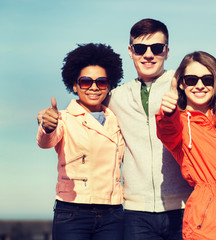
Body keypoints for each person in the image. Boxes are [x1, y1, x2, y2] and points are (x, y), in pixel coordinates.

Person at [107, 18, 193, 240]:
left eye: (156, 48)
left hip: (184, 206)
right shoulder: (116, 97)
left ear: (166, 51)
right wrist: (51, 119)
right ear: (130, 50)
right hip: (137, 213)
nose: (148, 55)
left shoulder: (185, 83)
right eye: (140, 48)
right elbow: (86, 108)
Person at [156, 51, 216, 239]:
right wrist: (168, 110)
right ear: (181, 83)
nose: (200, 85)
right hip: (207, 226)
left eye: (207, 79)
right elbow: (166, 130)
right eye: (191, 79)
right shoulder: (178, 122)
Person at [36, 43, 125, 240]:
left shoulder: (117, 119)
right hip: (72, 213)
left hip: (112, 213)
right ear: (75, 85)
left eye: (101, 82)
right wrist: (47, 126)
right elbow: (46, 141)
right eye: (86, 81)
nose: (94, 87)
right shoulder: (63, 118)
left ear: (109, 85)